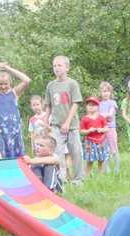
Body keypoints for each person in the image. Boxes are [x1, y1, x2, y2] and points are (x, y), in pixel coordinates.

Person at [44, 55, 84, 183]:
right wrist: (45, 121)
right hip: (56, 125)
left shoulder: (72, 84)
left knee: (76, 152)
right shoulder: (51, 85)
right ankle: (61, 179)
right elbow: (48, 105)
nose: (56, 68)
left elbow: (75, 104)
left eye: (59, 65)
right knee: (58, 153)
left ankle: (78, 179)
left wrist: (67, 122)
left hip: (71, 125)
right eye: (54, 65)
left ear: (67, 68)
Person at [79, 97, 109, 175]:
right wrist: (89, 131)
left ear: (97, 107)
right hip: (90, 142)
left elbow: (107, 128)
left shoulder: (101, 117)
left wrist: (101, 130)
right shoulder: (84, 119)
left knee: (101, 159)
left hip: (101, 141)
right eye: (89, 105)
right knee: (90, 160)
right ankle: (87, 175)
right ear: (86, 107)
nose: (91, 107)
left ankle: (100, 175)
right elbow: (81, 132)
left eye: (93, 105)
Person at [98, 81, 121, 174]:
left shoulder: (112, 103)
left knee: (114, 149)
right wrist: (102, 116)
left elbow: (110, 115)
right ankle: (106, 169)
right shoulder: (99, 104)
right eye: (104, 91)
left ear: (110, 92)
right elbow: (97, 117)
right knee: (104, 150)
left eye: (107, 91)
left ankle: (117, 168)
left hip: (110, 129)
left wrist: (102, 115)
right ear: (100, 93)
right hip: (102, 130)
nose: (106, 93)